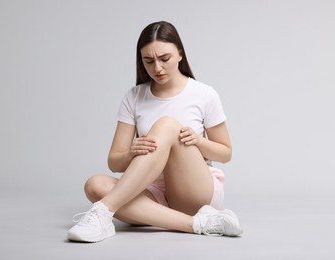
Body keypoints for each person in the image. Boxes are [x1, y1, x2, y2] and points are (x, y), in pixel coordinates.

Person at [67, 21, 243, 242]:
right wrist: (132, 152)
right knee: (94, 185)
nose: (157, 68)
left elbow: (226, 153)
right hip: (152, 192)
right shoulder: (134, 96)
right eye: (148, 61)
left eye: (164, 59)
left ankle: (103, 211)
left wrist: (198, 142)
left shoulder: (204, 94)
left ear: (180, 54)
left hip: (194, 191)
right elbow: (114, 163)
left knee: (167, 125)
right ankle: (199, 224)